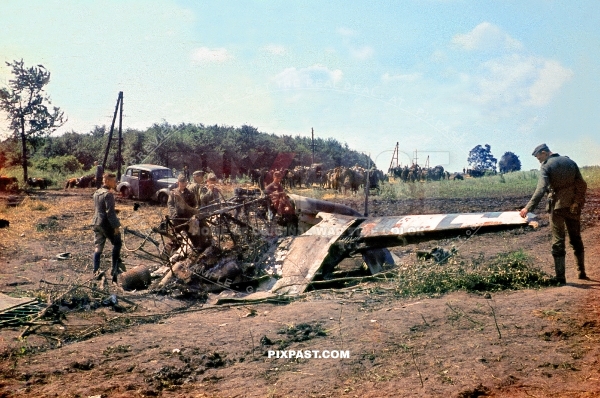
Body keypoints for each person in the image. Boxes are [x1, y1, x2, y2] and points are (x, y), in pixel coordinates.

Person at [519, 143, 588, 284]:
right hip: (573, 207)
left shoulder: (546, 166)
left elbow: (541, 188)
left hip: (557, 207)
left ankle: (560, 278)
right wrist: (576, 201)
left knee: (558, 241)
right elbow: (582, 184)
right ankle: (581, 272)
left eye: (539, 158)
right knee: (576, 239)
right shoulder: (570, 161)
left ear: (544, 152)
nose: (539, 161)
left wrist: (528, 208)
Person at [92, 172, 122, 282]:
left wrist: (114, 210)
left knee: (98, 247)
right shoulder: (108, 194)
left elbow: (100, 209)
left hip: (96, 223)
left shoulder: (97, 192)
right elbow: (110, 214)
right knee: (117, 243)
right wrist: (116, 226)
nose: (116, 184)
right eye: (114, 181)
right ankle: (114, 271)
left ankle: (95, 271)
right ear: (108, 181)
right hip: (105, 224)